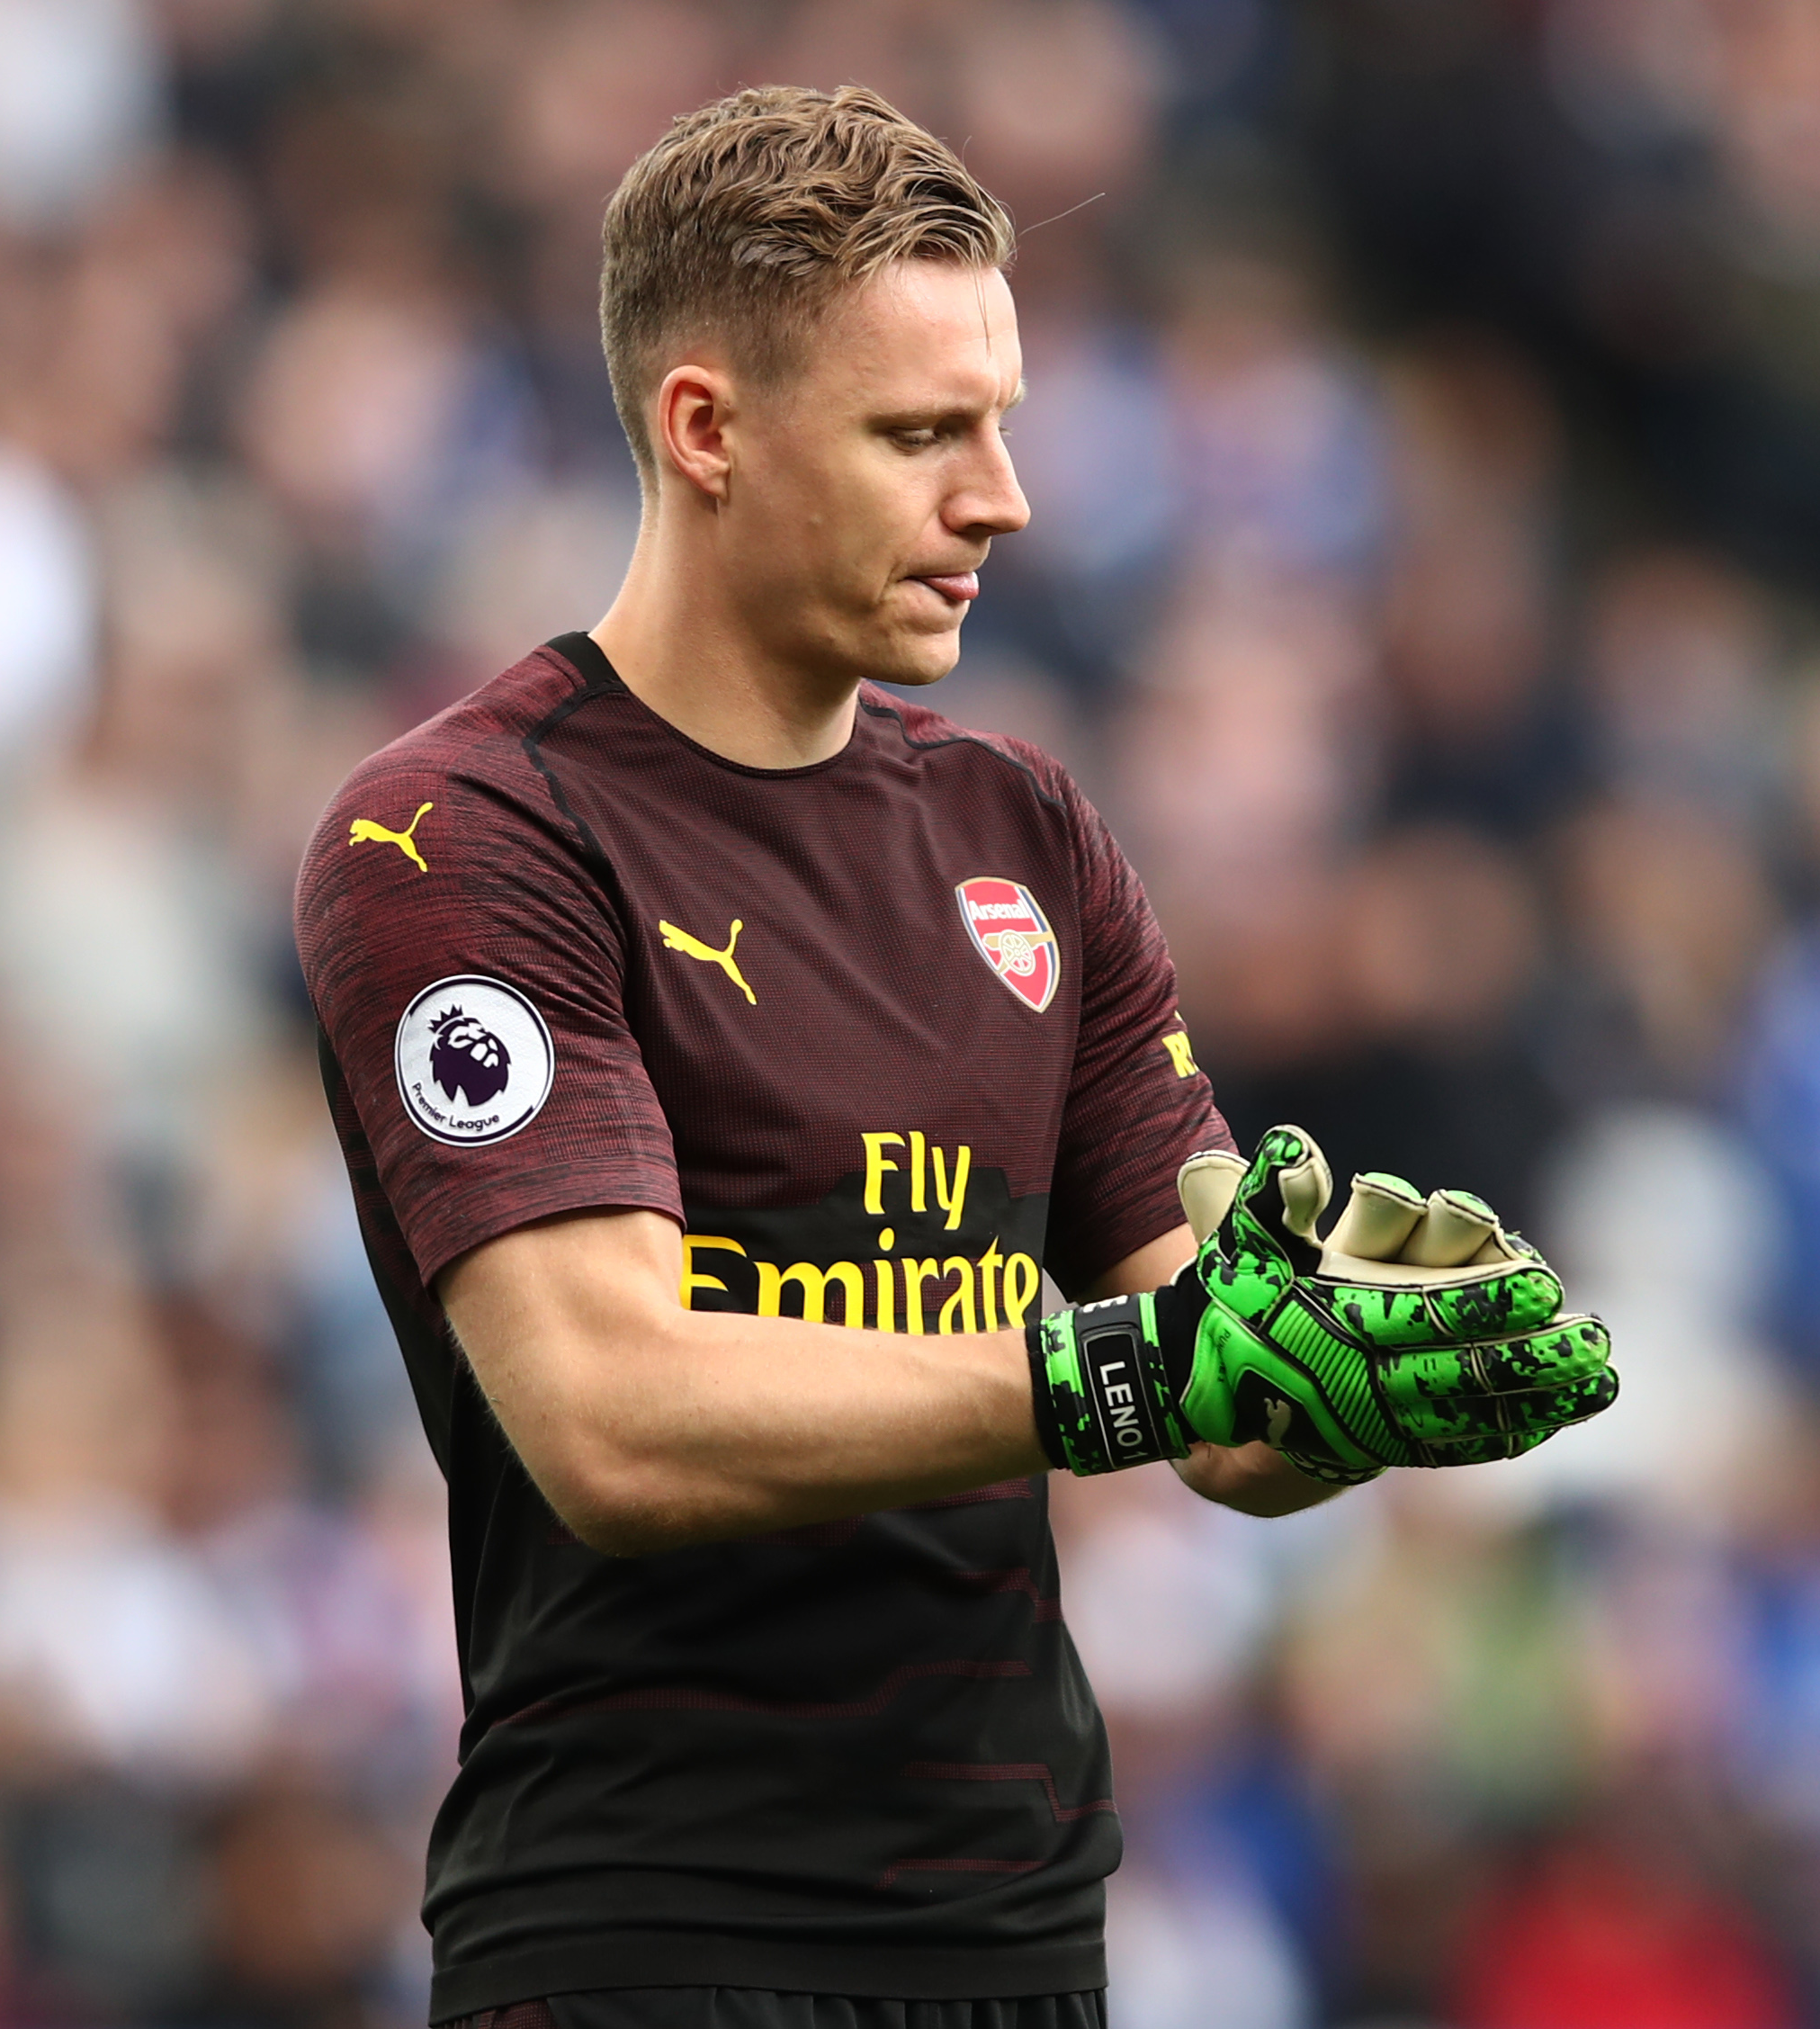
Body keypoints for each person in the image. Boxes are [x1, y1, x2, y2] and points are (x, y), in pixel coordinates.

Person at [293, 85, 1618, 2029]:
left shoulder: (1024, 832)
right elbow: (610, 1417)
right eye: (921, 435)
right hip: (649, 1940)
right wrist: (1139, 1370)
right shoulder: (462, 839)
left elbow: (1212, 1390)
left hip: (1018, 1940)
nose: (997, 496)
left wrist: (1351, 1373)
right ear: (703, 431)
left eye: (998, 423)